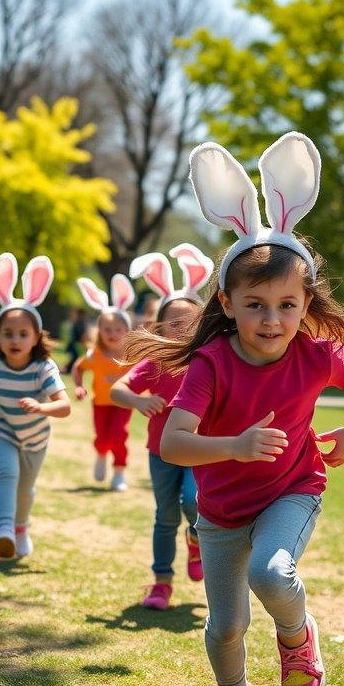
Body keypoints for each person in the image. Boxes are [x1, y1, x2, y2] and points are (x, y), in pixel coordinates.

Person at [126, 133, 344, 686]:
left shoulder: (314, 355)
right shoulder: (211, 362)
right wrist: (234, 446)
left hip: (291, 489)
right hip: (219, 511)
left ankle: (297, 637)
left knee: (273, 573)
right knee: (225, 627)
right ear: (228, 302)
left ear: (305, 302)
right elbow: (173, 443)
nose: (273, 319)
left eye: (288, 305)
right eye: (257, 304)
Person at [111, 243, 214, 609]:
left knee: (193, 501)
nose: (181, 329)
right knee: (164, 516)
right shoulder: (155, 360)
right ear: (161, 327)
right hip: (160, 453)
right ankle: (161, 584)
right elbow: (118, 389)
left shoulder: (209, 361)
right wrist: (138, 400)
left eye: (189, 323)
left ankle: (197, 539)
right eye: (173, 323)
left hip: (199, 451)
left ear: (202, 325)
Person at [0, 252, 71, 559]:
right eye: (7, 334)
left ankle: (20, 527)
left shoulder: (43, 368)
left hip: (35, 437)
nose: (15, 340)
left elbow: (64, 406)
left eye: (23, 334)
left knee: (26, 489)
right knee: (7, 473)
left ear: (36, 337)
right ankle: (3, 529)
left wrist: (40, 407)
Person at [72, 273, 136, 492]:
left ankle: (119, 472)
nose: (113, 334)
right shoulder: (95, 354)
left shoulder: (131, 355)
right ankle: (101, 454)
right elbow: (77, 368)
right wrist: (79, 385)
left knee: (119, 434)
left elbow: (145, 373)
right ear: (99, 331)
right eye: (107, 329)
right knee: (102, 438)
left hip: (123, 403)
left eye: (118, 329)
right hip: (100, 402)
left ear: (127, 331)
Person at [62, 307, 90, 374]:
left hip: (75, 343)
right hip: (76, 344)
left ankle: (67, 369)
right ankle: (67, 369)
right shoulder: (80, 324)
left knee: (75, 358)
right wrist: (84, 344)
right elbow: (81, 335)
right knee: (75, 358)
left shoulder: (77, 323)